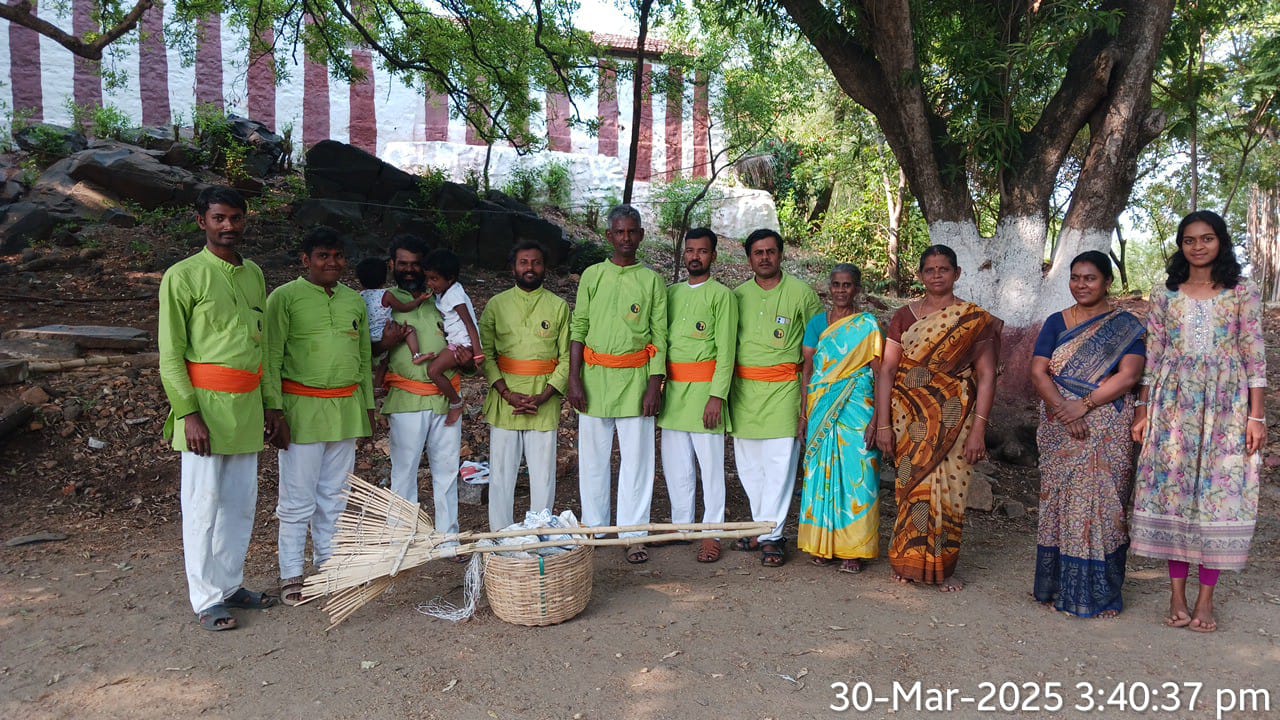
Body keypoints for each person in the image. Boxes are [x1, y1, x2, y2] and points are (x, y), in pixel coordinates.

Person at [1130, 210, 1267, 633]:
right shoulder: (1165, 295)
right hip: (1174, 406)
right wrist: (1143, 409)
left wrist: (1256, 416)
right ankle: (1176, 595)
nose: (1198, 246)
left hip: (1227, 405)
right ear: (1181, 246)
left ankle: (1206, 599)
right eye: (1189, 240)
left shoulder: (1241, 293)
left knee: (1218, 496)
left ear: (1221, 242)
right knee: (1174, 492)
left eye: (1207, 238)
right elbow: (1152, 356)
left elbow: (1254, 353)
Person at [158, 186, 277, 631]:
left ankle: (230, 585)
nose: (228, 226)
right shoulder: (183, 275)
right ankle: (205, 598)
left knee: (240, 503)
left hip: (247, 405)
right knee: (203, 504)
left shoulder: (254, 274)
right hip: (204, 408)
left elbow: (260, 345)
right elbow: (171, 355)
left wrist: (270, 407)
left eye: (236, 218)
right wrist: (188, 413)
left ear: (245, 221)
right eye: (218, 218)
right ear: (201, 222)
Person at [873, 245, 1000, 591]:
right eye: (930, 270)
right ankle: (906, 561)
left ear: (957, 274)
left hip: (956, 419)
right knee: (911, 487)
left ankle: (944, 568)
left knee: (949, 491)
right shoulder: (903, 317)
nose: (937, 275)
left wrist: (979, 431)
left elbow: (986, 376)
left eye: (944, 269)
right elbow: (886, 370)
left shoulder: (973, 320)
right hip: (907, 418)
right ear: (920, 276)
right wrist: (883, 423)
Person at [263, 226, 376, 605]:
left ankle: (329, 566)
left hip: (345, 407)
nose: (332, 263)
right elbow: (271, 357)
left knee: (335, 495)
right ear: (305, 260)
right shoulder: (284, 298)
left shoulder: (353, 301)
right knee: (297, 499)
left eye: (338, 256)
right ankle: (291, 573)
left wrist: (368, 406)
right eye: (323, 256)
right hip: (300, 409)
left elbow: (362, 358)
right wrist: (274, 410)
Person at [1029, 251, 1145, 618]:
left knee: (1105, 507)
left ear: (1107, 282)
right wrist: (1065, 410)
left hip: (1107, 425)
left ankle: (1102, 593)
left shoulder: (1126, 325)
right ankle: (1057, 588)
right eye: (1075, 278)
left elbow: (1129, 375)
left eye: (1090, 278)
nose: (1081, 285)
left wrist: (1086, 404)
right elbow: (1038, 371)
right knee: (1059, 504)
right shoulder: (1056, 321)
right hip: (1059, 422)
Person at [567, 205, 667, 564]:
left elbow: (660, 336)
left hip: (636, 380)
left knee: (638, 461)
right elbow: (579, 328)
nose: (626, 238)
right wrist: (574, 377)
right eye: (619, 232)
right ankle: (594, 530)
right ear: (609, 236)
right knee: (593, 460)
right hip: (593, 379)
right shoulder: (593, 276)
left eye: (632, 232)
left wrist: (654, 385)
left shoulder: (652, 281)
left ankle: (634, 534)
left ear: (641, 235)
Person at [728, 228, 823, 567]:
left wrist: (808, 402)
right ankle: (761, 526)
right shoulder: (735, 296)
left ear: (781, 255)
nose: (765, 257)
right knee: (750, 469)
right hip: (744, 394)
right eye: (758, 252)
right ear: (749, 258)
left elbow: (817, 348)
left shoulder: (802, 294)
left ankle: (774, 536)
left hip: (785, 391)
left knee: (780, 467)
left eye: (770, 251)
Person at [376, 235, 466, 559]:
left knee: (447, 470)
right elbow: (371, 351)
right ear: (392, 266)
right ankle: (402, 542)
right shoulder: (384, 302)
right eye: (404, 264)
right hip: (406, 398)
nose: (410, 270)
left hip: (445, 398)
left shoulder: (442, 299)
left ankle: (448, 541)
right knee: (404, 472)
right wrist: (385, 345)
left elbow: (464, 346)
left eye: (416, 265)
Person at [656, 228, 738, 563]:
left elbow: (726, 350)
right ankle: (681, 527)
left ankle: (712, 531)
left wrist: (717, 396)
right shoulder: (671, 293)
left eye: (702, 251)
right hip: (674, 393)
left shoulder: (722, 296)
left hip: (706, 392)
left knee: (711, 468)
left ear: (713, 256)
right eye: (690, 250)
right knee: (676, 467)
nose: (695, 256)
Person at [797, 264, 883, 574]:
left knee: (857, 473)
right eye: (836, 284)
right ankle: (822, 544)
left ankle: (853, 550)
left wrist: (878, 420)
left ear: (857, 289)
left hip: (859, 410)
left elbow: (879, 371)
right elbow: (808, 370)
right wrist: (804, 414)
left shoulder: (868, 326)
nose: (841, 290)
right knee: (822, 474)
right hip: (821, 408)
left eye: (847, 285)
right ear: (829, 288)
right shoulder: (817, 324)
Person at [479, 241, 570, 531]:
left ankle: (540, 537)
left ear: (545, 268)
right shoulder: (496, 305)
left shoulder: (558, 307)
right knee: (501, 475)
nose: (530, 268)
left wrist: (544, 395)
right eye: (523, 262)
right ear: (513, 267)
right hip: (505, 401)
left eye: (536, 263)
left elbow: (567, 357)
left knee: (542, 476)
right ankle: (501, 539)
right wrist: (506, 393)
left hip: (543, 402)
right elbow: (486, 354)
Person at [418, 249, 483, 426]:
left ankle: (456, 403)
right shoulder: (445, 292)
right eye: (428, 278)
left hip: (462, 344)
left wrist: (477, 352)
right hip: (456, 342)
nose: (430, 283)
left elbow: (470, 323)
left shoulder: (454, 295)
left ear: (450, 278)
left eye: (434, 279)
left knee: (433, 371)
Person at [355, 256, 431, 376]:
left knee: (383, 362)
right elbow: (404, 308)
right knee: (410, 330)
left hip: (368, 336)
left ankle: (377, 386)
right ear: (384, 278)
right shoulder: (385, 295)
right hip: (385, 332)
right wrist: (419, 300)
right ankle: (416, 355)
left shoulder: (359, 296)